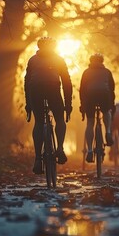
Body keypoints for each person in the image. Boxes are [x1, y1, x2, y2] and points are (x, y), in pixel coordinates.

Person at [24, 36, 72, 174]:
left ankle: (38, 158)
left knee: (39, 122)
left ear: (39, 47)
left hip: (35, 90)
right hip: (53, 90)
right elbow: (67, 82)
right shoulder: (59, 60)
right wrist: (68, 105)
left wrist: (28, 103)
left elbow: (27, 83)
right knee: (60, 119)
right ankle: (60, 149)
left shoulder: (32, 60)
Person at [80, 53, 115, 163]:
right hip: (104, 95)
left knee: (90, 122)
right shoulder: (107, 72)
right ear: (102, 61)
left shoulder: (86, 72)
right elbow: (112, 89)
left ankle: (90, 151)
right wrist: (111, 104)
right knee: (106, 111)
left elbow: (82, 90)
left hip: (90, 96)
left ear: (90, 61)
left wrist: (83, 105)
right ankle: (108, 132)